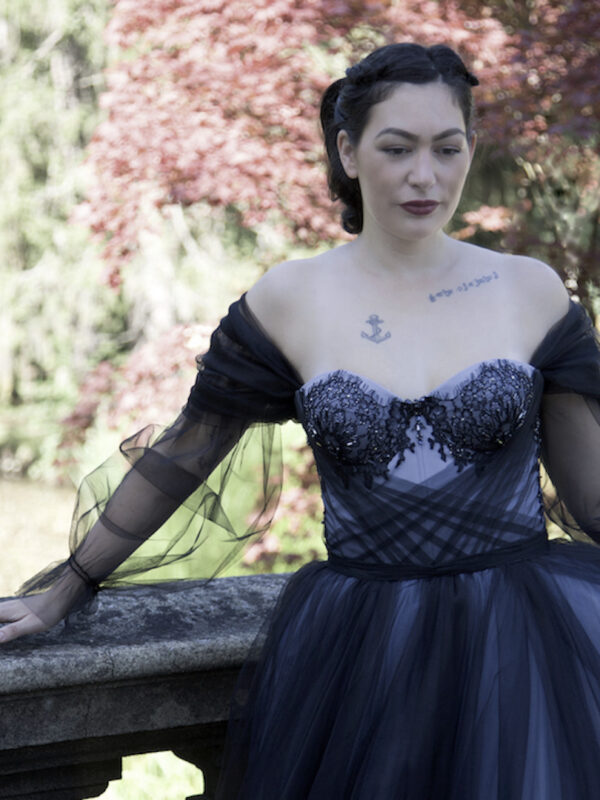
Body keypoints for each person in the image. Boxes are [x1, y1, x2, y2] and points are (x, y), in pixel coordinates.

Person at [2, 41, 600, 798]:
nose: (425, 175)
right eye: (397, 148)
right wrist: (68, 586)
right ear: (348, 151)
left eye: (447, 148)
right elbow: (186, 455)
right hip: (364, 652)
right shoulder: (289, 300)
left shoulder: (528, 290)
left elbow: (591, 495)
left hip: (524, 647)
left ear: (470, 148)